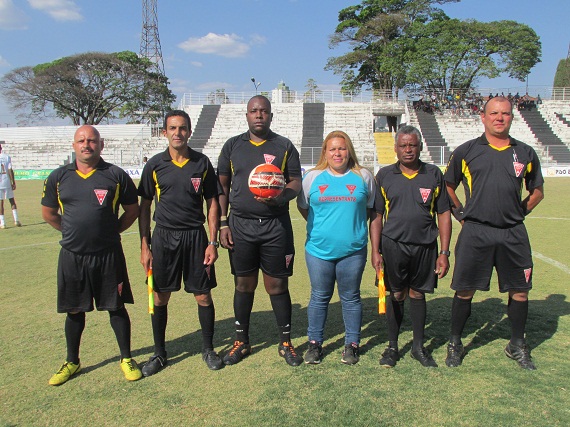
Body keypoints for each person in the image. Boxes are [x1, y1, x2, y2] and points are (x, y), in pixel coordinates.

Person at [444, 96, 544, 370]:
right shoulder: (466, 151)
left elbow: (537, 192)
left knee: (520, 291)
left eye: (506, 114)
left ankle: (516, 345)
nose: (500, 118)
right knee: (465, 290)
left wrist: (518, 212)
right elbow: (448, 186)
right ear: (484, 117)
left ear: (512, 117)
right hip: (476, 232)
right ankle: (455, 342)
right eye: (494, 113)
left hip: (513, 233)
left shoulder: (525, 153)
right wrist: (461, 214)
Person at [41, 125, 142, 385]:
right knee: (74, 311)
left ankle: (127, 358)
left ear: (101, 144)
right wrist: (74, 233)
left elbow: (132, 210)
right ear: (74, 145)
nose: (87, 145)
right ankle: (72, 361)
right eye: (82, 140)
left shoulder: (116, 176)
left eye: (92, 141)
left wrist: (112, 230)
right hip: (72, 256)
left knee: (116, 307)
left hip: (108, 255)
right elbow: (49, 214)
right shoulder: (58, 177)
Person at [218, 95, 303, 367]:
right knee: (244, 284)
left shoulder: (284, 146)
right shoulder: (232, 146)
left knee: (277, 285)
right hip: (240, 225)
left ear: (270, 115)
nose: (258, 115)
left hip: (275, 226)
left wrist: (280, 198)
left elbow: (296, 182)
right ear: (246, 115)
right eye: (254, 111)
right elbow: (222, 186)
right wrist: (222, 222)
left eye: (264, 111)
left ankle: (286, 342)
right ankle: (241, 341)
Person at [138, 110, 223, 375]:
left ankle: (208, 349)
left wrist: (212, 242)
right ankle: (160, 353)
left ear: (189, 131)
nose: (178, 133)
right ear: (165, 132)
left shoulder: (202, 162)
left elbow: (213, 203)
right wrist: (144, 246)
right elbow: (144, 207)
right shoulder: (154, 164)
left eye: (183, 128)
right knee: (160, 297)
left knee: (203, 296)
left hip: (196, 237)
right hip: (164, 237)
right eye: (173, 128)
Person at [297, 131, 380, 365]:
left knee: (351, 297)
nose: (337, 153)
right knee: (319, 297)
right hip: (318, 251)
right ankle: (314, 344)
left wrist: (352, 229)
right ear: (325, 151)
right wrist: (322, 228)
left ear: (349, 150)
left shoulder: (363, 176)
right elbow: (304, 207)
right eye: (332, 149)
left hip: (353, 251)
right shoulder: (312, 177)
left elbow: (371, 209)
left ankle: (352, 344)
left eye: (342, 148)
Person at [374, 126, 451, 368]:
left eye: (413, 145)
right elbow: (376, 216)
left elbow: (444, 214)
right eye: (403, 145)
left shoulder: (433, 174)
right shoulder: (384, 175)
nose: (408, 149)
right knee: (396, 294)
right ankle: (393, 346)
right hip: (393, 245)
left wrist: (444, 252)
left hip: (426, 246)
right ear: (395, 148)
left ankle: (418, 347)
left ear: (420, 147)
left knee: (418, 293)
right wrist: (375, 251)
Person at [0, 144, 22, 229]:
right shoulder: (7, 157)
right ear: (1, 148)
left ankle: (3, 223)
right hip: (6, 181)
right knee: (12, 201)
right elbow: (10, 169)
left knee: (1, 203)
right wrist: (13, 182)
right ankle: (16, 220)